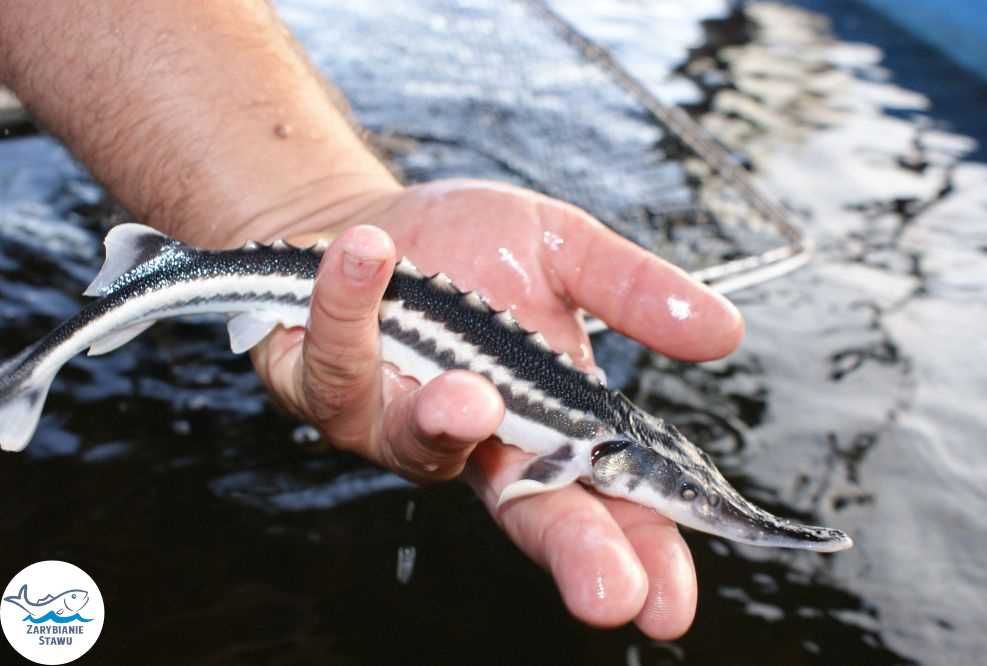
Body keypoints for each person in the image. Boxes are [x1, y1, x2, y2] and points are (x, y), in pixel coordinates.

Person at [0, 1, 743, 639]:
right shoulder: (584, 445)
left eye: (694, 495)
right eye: (686, 494)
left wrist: (306, 201)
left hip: (278, 264)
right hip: (260, 273)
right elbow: (533, 478)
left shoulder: (598, 438)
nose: (700, 507)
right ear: (614, 457)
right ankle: (31, 372)